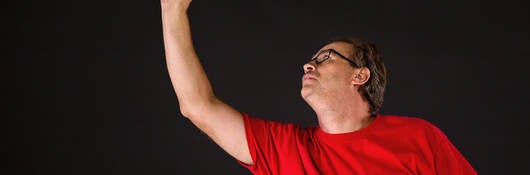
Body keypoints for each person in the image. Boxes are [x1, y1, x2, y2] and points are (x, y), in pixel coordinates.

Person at [160, 0, 477, 174]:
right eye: (312, 59)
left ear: (359, 76)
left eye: (326, 58)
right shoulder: (283, 149)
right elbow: (197, 106)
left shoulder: (419, 138)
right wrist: (172, 10)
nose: (309, 65)